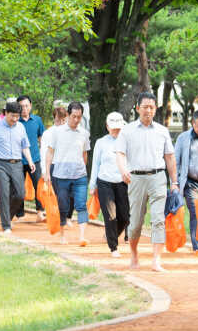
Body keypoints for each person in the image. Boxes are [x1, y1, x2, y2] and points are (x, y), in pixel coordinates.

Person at [115, 92, 179, 272]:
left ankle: (156, 260)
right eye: (145, 107)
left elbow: (170, 157)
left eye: (152, 107)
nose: (148, 110)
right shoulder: (127, 131)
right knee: (135, 222)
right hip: (135, 178)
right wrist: (123, 170)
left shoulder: (162, 131)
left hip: (158, 177)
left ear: (155, 109)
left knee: (158, 219)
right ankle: (134, 255)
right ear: (137, 108)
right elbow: (120, 154)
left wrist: (174, 182)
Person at [0, 101, 35, 233]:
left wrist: (30, 161)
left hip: (17, 163)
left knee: (20, 194)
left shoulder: (21, 127)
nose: (15, 119)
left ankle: (8, 217)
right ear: (6, 113)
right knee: (4, 194)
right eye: (12, 116)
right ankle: (6, 225)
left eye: (17, 116)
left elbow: (25, 146)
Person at [44, 101, 91, 245]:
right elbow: (49, 153)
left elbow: (85, 154)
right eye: (74, 116)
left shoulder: (84, 133)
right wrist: (47, 173)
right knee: (63, 206)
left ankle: (82, 236)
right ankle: (62, 236)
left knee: (81, 205)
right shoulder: (57, 132)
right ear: (68, 115)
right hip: (60, 175)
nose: (76, 120)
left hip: (79, 176)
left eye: (79, 117)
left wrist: (83, 168)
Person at [170, 108, 198, 256]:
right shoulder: (183, 138)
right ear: (193, 123)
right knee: (196, 212)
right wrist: (174, 182)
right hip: (190, 182)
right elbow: (175, 161)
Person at [89, 112, 129, 257]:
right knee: (110, 216)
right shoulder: (101, 142)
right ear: (107, 127)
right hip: (105, 181)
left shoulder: (127, 141)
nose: (116, 130)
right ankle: (114, 247)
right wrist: (92, 185)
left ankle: (111, 234)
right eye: (113, 128)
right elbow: (95, 164)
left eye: (119, 128)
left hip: (123, 182)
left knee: (125, 217)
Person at [16, 95, 45, 221]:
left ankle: (40, 212)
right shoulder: (15, 121)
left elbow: (42, 138)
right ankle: (20, 214)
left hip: (35, 159)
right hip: (18, 160)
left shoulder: (37, 120)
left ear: (31, 106)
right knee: (18, 189)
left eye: (27, 105)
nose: (24, 108)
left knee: (39, 186)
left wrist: (44, 156)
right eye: (21, 106)